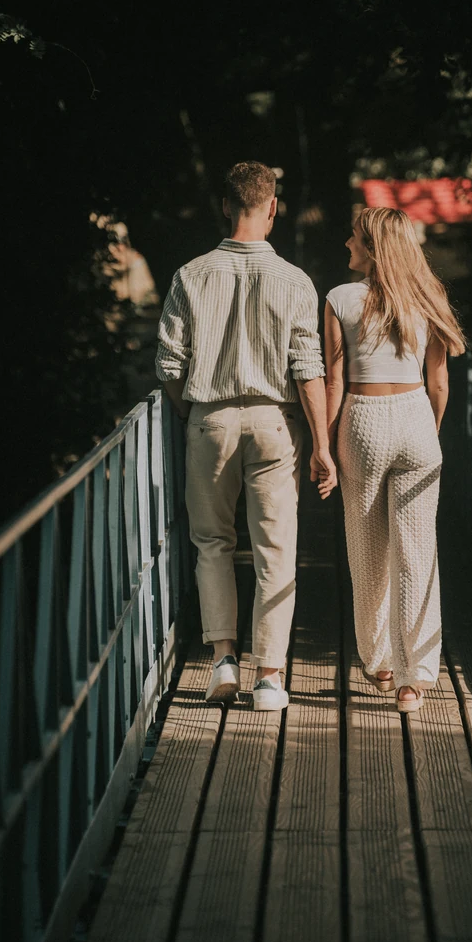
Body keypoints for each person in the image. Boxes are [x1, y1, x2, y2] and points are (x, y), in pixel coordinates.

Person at [155, 161, 336, 710]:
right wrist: (323, 446)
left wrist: (193, 412)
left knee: (212, 542)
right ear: (273, 208)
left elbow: (169, 366)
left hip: (210, 419)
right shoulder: (296, 281)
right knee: (275, 550)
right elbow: (308, 367)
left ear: (226, 206)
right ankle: (271, 679)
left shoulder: (190, 274)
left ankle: (223, 662)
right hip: (274, 423)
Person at [325, 206, 465, 713]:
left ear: (373, 247)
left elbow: (335, 381)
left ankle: (380, 660)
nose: (346, 244)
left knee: (366, 545)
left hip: (361, 419)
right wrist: (430, 429)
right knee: (417, 550)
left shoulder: (340, 299)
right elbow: (440, 382)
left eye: (354, 238)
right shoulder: (427, 297)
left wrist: (325, 443)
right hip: (415, 417)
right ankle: (415, 679)